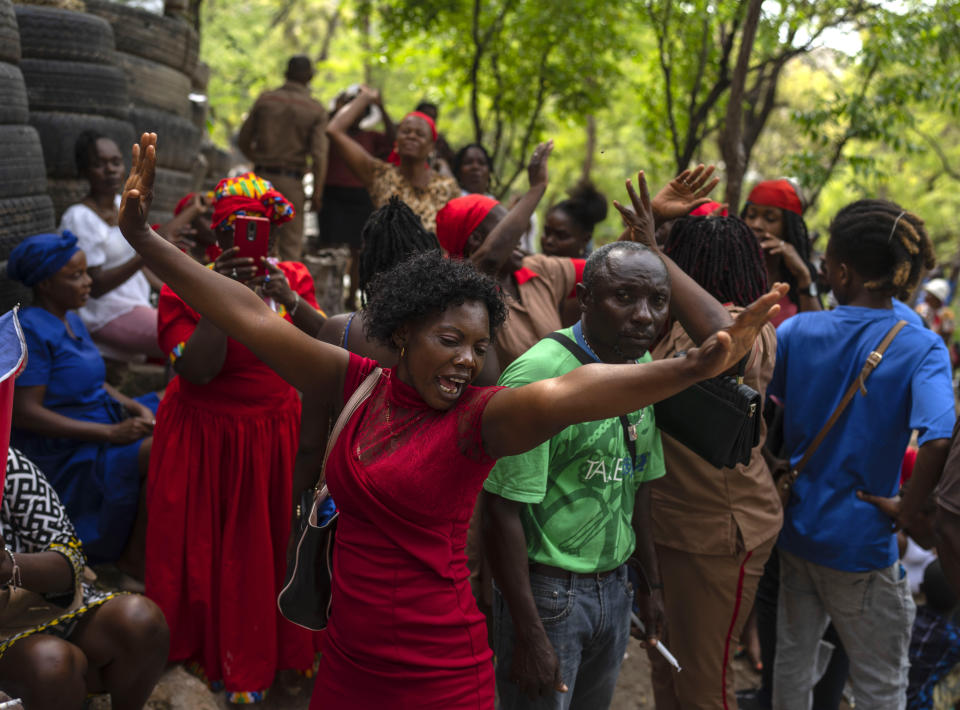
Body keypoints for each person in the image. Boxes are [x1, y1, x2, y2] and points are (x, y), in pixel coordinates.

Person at [117, 132, 785, 710]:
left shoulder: (483, 420)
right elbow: (245, 313)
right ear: (403, 334)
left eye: (479, 344)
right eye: (450, 340)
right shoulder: (354, 382)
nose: (469, 360)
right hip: (347, 658)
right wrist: (144, 238)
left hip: (440, 669)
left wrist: (691, 369)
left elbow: (579, 390)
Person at [480, 176, 748, 710]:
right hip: (548, 595)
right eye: (624, 298)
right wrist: (529, 633)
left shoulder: (642, 367)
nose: (644, 317)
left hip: (615, 587)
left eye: (656, 301)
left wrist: (647, 585)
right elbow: (501, 512)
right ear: (584, 299)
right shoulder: (539, 375)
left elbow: (639, 486)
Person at [144, 173, 325, 703]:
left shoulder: (291, 280)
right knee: (201, 548)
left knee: (269, 549)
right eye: (233, 231)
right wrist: (221, 296)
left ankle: (275, 657)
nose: (245, 241)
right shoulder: (186, 283)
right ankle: (200, 658)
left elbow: (317, 354)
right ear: (215, 239)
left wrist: (284, 298)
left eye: (258, 230)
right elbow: (197, 371)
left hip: (273, 439)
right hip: (204, 440)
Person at [770, 199, 955, 709]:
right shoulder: (922, 347)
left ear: (843, 271)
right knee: (880, 682)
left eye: (827, 261)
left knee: (792, 663)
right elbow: (939, 435)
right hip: (864, 544)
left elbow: (771, 412)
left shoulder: (796, 331)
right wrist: (909, 509)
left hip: (797, 531)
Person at [641, 215, 782, 709]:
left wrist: (657, 253)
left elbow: (725, 344)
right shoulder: (671, 324)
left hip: (719, 533)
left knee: (703, 686)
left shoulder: (746, 325)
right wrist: (646, 238)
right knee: (667, 668)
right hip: (672, 527)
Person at [7, 233, 158, 581]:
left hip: (99, 426)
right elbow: (25, 412)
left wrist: (133, 406)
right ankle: (132, 556)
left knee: (175, 415)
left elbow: (94, 382)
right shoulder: (32, 327)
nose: (89, 282)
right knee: (162, 447)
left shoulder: (72, 319)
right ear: (45, 283)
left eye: (86, 272)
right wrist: (110, 432)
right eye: (75, 276)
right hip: (66, 450)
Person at [0, 447, 168, 710]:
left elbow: (69, 560)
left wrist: (9, 566)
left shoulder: (6, 462)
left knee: (141, 621)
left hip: (48, 605)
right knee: (52, 663)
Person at [59, 131, 162, 362]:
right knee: (185, 337)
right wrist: (146, 252)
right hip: (104, 313)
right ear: (84, 171)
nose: (111, 170)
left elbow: (134, 264)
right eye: (99, 164)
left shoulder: (122, 203)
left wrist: (169, 290)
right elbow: (95, 287)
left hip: (136, 303)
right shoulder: (79, 218)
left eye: (116, 162)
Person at [326, 86, 460, 235]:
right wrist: (365, 97)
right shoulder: (380, 175)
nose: (412, 136)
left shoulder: (446, 186)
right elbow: (334, 130)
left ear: (431, 147)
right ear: (396, 141)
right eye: (406, 131)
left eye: (420, 134)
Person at [237, 55, 328, 261]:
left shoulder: (266, 100)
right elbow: (319, 155)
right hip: (292, 183)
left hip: (259, 181)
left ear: (286, 72)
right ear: (310, 77)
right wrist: (317, 194)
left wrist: (260, 160)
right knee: (289, 248)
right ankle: (283, 291)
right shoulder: (315, 109)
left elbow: (243, 139)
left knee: (250, 242)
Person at [319, 86, 395, 308]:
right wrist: (341, 105)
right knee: (329, 247)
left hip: (361, 195)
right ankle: (326, 297)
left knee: (359, 250)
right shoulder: (330, 131)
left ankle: (350, 298)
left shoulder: (370, 137)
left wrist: (381, 107)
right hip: (332, 192)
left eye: (361, 108)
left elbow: (393, 140)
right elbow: (325, 126)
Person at [741, 179, 820, 326]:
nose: (756, 225)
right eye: (751, 216)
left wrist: (803, 276)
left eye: (769, 218)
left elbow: (817, 331)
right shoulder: (728, 268)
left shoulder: (801, 273)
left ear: (788, 228)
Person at [540, 181, 608, 259]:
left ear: (585, 240)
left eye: (561, 236)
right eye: (546, 232)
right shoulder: (531, 265)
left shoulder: (590, 270)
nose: (549, 241)